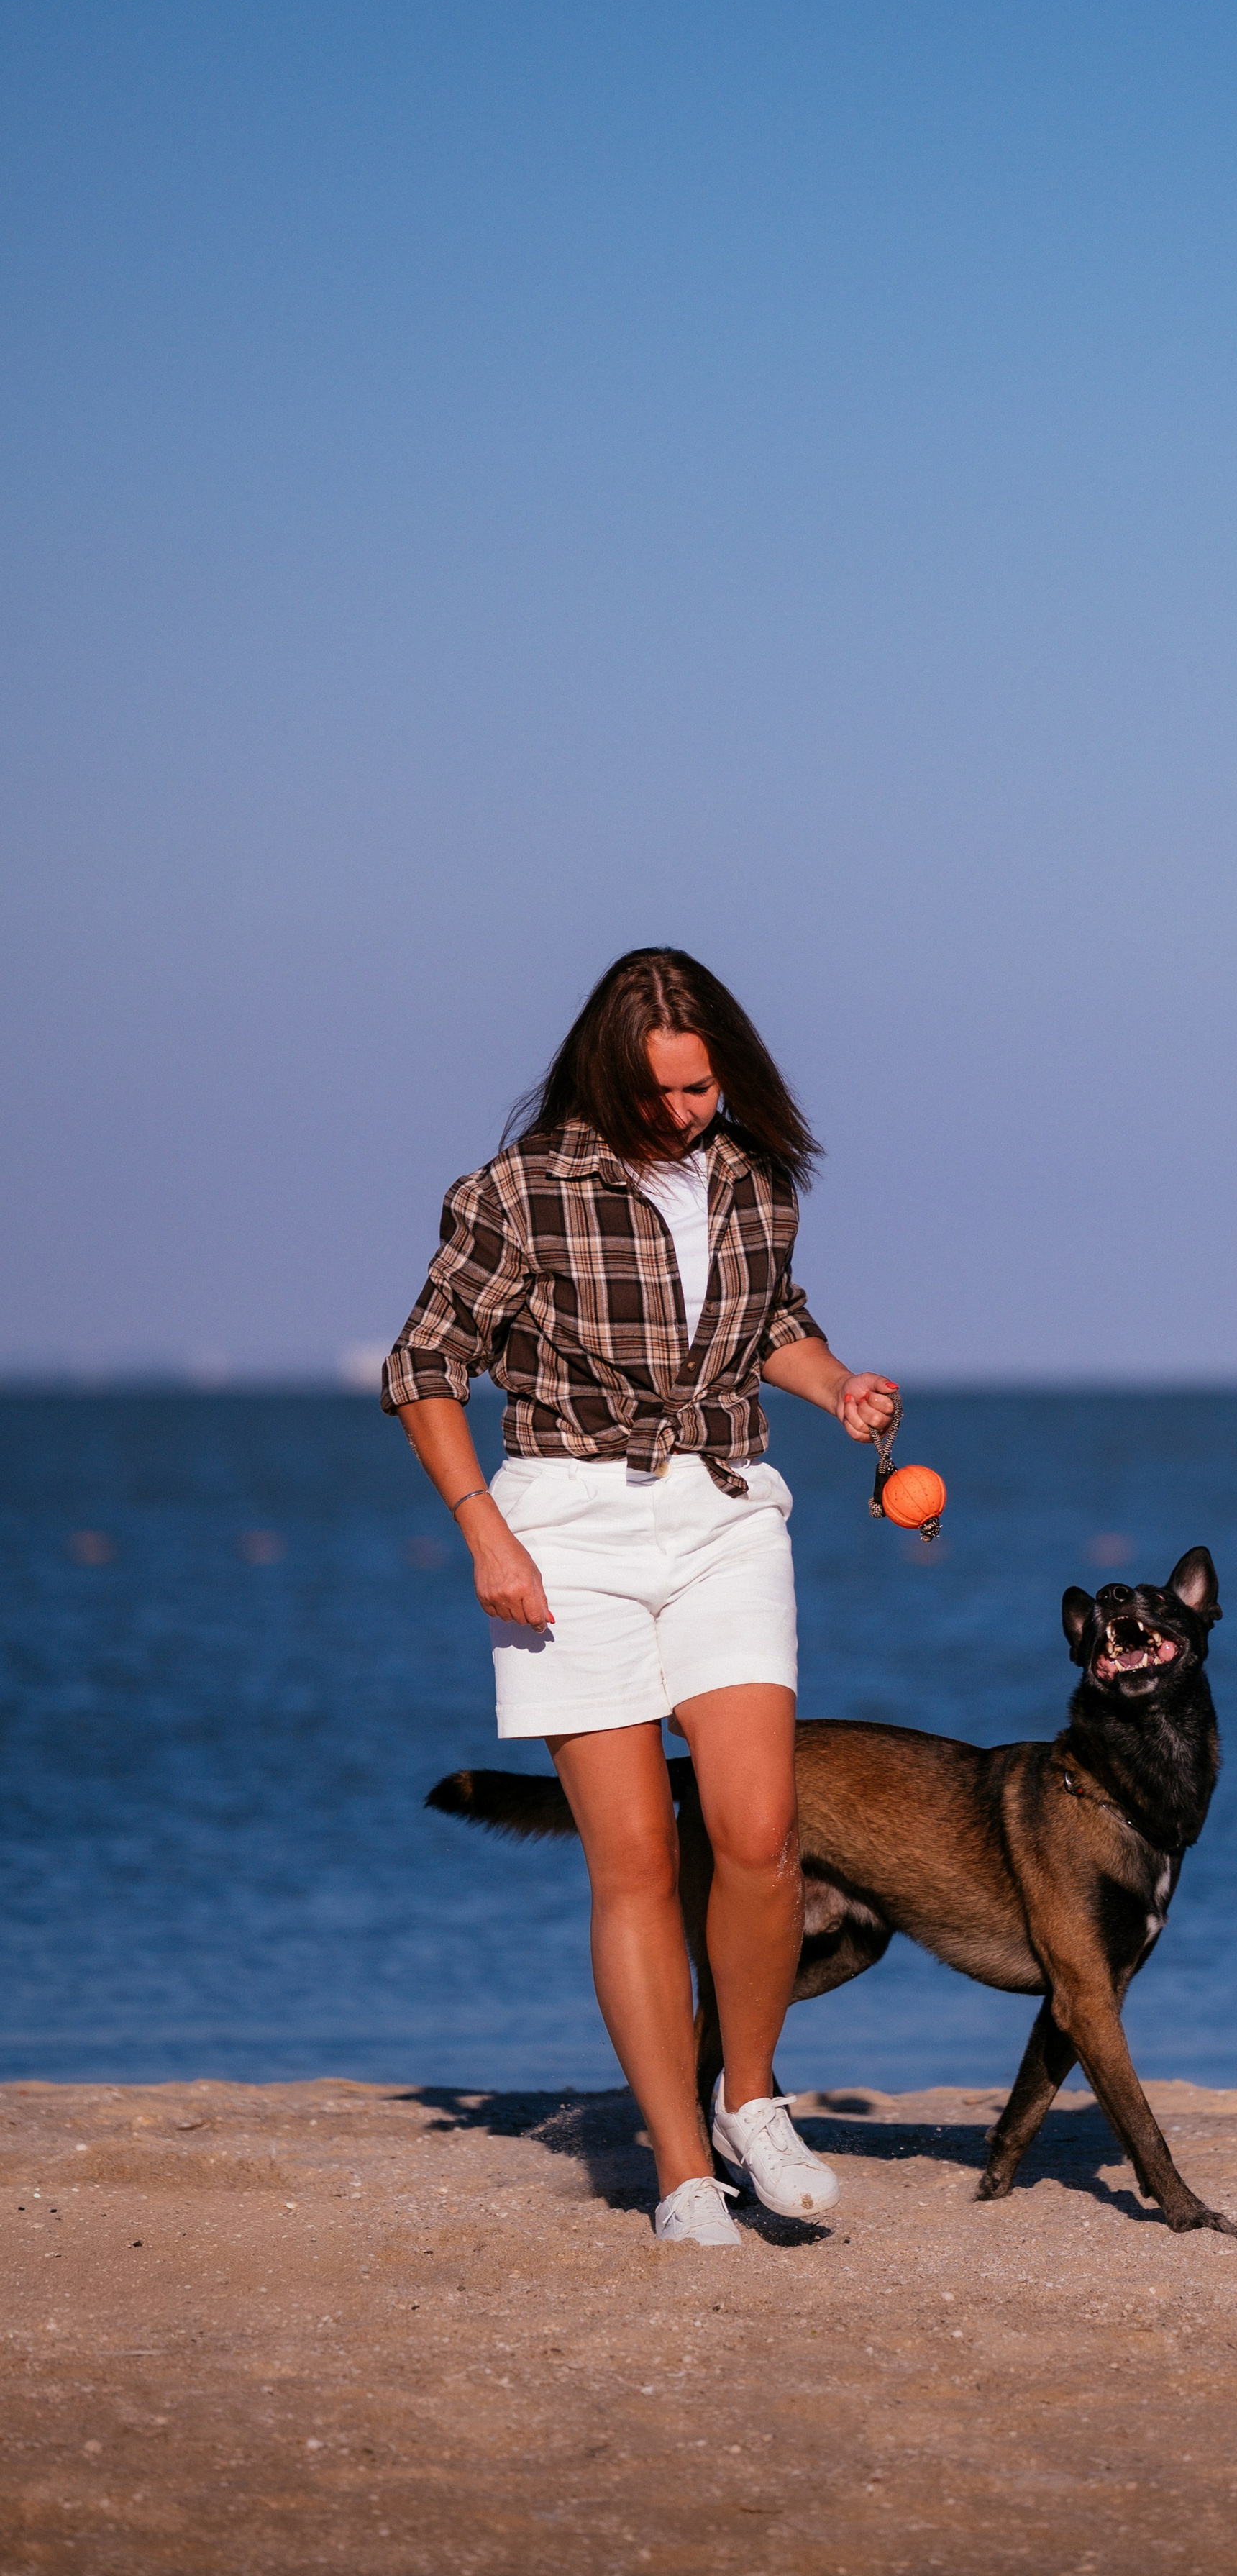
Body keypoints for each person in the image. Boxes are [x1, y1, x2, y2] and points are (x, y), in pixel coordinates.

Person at [383, 947, 898, 2247]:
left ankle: (750, 2100)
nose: (688, 1112)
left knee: (763, 1835)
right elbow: (423, 1369)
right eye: (664, 1092)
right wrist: (484, 1531)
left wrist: (838, 1389)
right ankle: (680, 2176)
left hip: (725, 1515)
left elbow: (773, 1317)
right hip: (563, 1529)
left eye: (705, 1085)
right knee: (632, 1860)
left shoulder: (754, 1179)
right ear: (612, 1075)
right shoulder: (516, 1193)